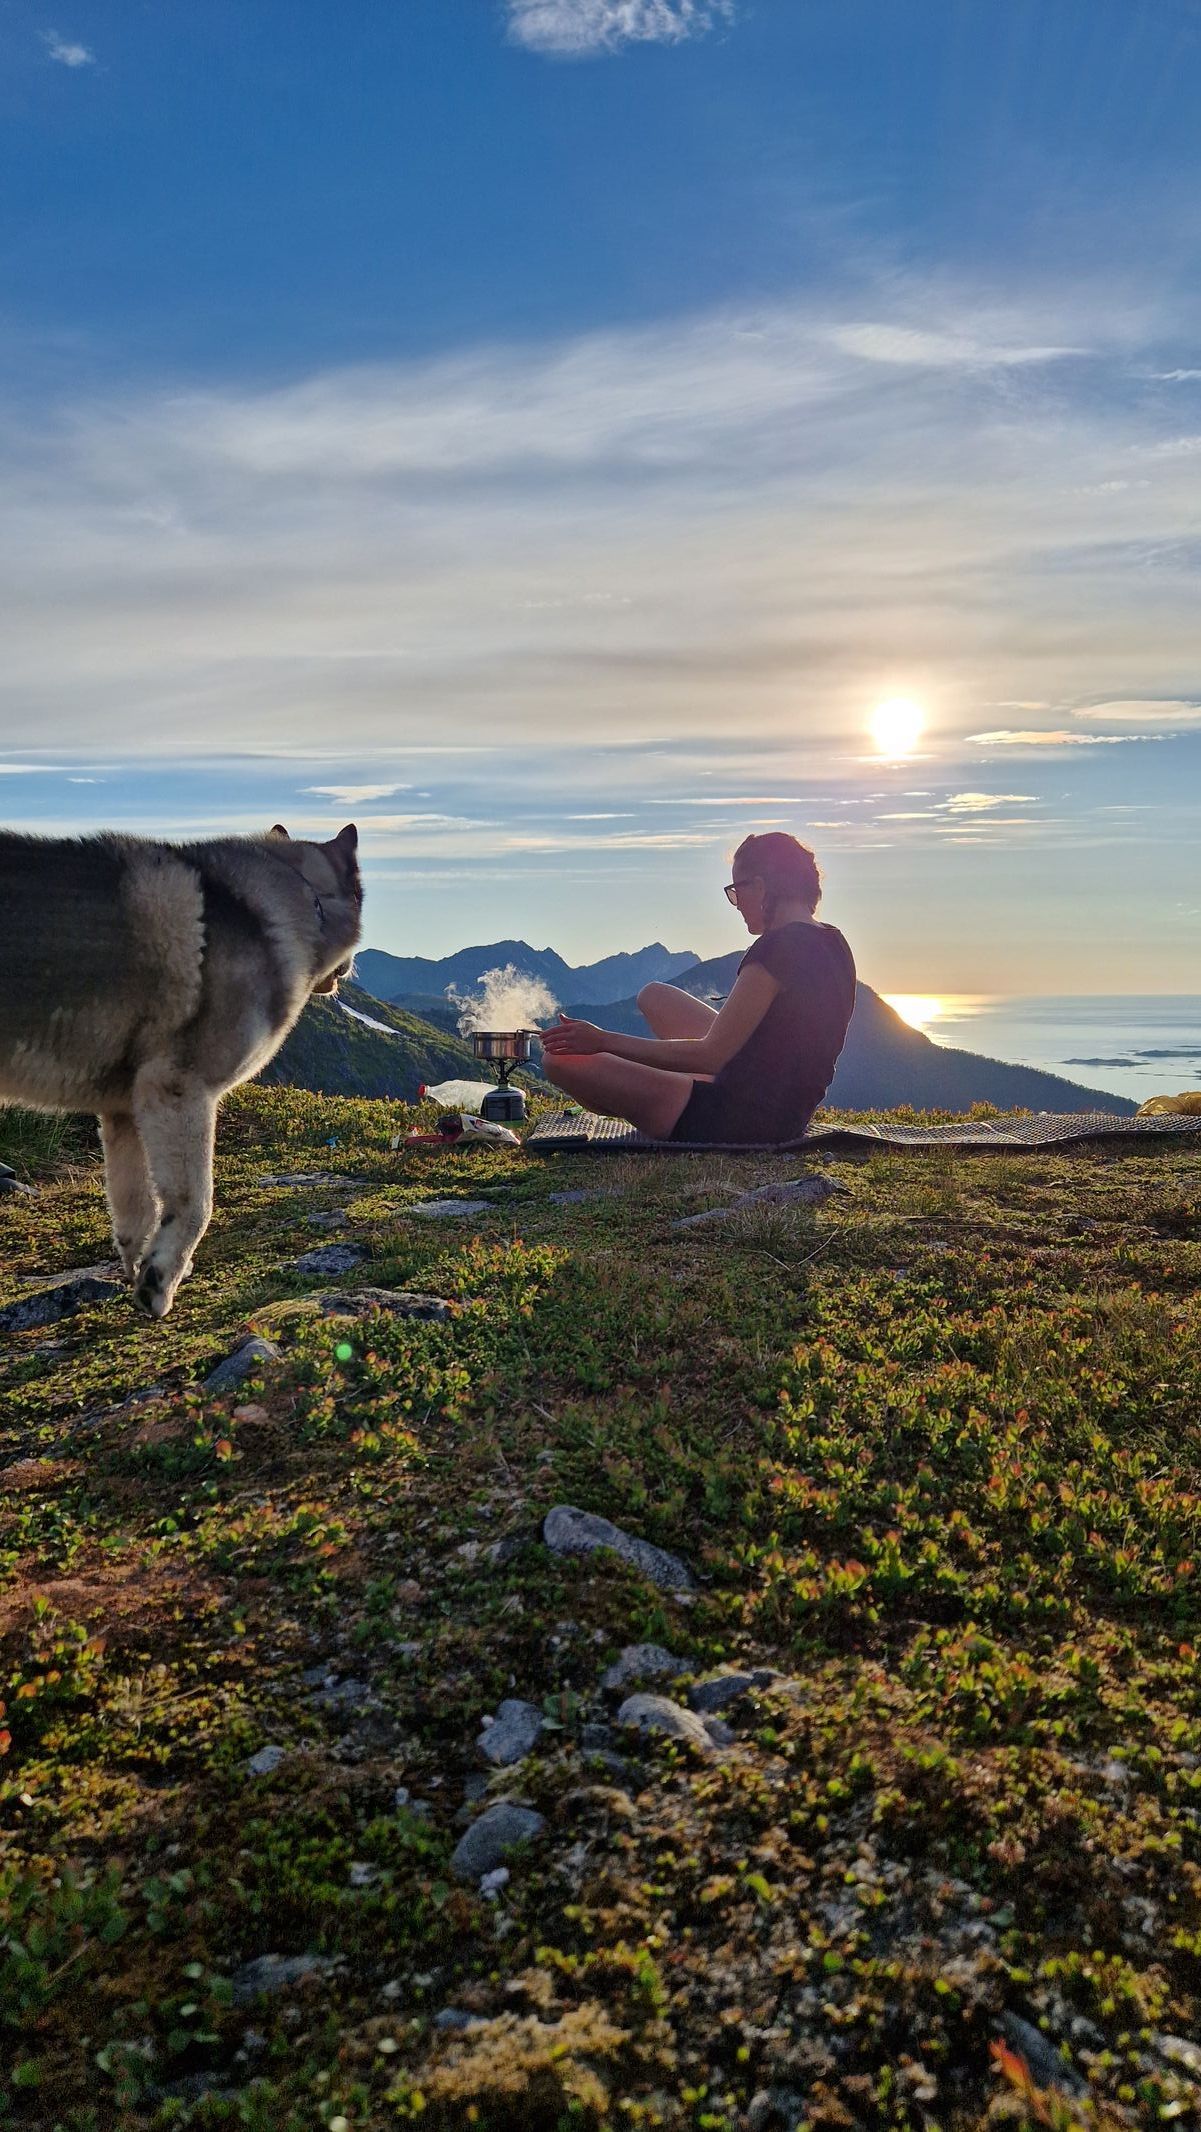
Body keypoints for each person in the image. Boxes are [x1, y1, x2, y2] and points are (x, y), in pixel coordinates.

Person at [540, 831, 856, 1144]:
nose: (735, 904)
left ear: (759, 887)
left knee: (559, 1061)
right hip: (781, 1101)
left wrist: (603, 1041)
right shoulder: (832, 940)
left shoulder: (776, 950)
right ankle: (648, 1089)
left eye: (735, 891)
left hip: (743, 1118)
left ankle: (647, 1098)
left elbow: (711, 1057)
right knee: (654, 995)